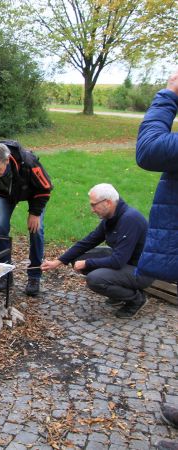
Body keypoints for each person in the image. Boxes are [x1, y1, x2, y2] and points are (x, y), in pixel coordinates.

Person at [135, 70, 178, 450]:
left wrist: (169, 94)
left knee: (101, 273)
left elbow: (149, 149)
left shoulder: (125, 219)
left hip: (139, 269)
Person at [41, 183, 153, 319]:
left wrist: (87, 263)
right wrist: (58, 261)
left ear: (108, 202)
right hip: (125, 260)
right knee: (77, 259)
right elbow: (88, 241)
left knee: (95, 279)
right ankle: (118, 293)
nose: (92, 209)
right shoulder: (111, 217)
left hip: (141, 271)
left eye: (94, 205)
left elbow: (118, 261)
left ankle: (136, 299)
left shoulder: (129, 220)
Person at [0, 140, 52, 295]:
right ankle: (5, 274)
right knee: (1, 226)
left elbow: (45, 188)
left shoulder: (28, 162)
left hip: (33, 193)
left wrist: (35, 213)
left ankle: (34, 275)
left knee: (36, 229)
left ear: (7, 160)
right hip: (5, 195)